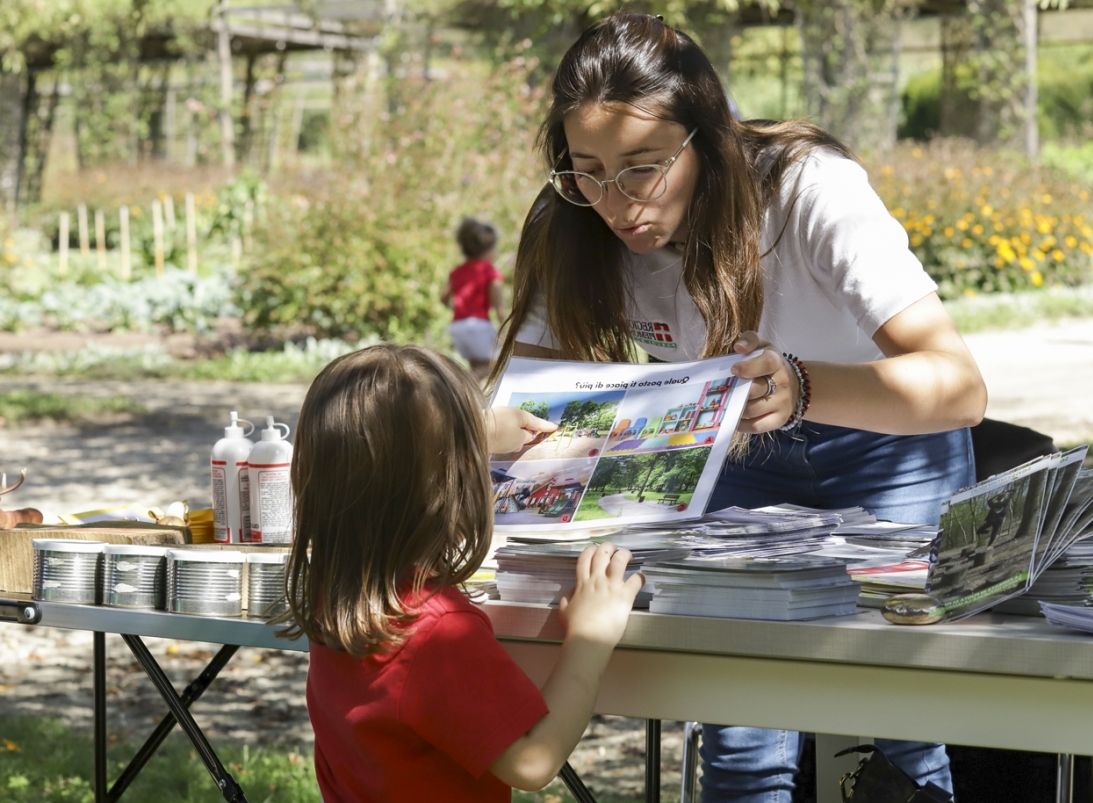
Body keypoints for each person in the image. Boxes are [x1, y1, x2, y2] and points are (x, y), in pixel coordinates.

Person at [493, 14, 987, 802]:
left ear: (707, 141)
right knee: (738, 730)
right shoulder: (572, 223)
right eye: (585, 169)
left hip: (886, 445)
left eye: (642, 169)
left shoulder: (805, 188)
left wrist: (803, 384)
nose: (614, 203)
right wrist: (502, 425)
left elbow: (960, 388)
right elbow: (531, 406)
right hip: (731, 455)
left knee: (898, 713)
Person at [280, 343, 644, 802]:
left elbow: (383, 451)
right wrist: (590, 638)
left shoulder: (336, 588)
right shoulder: (437, 630)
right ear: (455, 480)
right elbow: (531, 762)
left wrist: (475, 430)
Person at [442, 217, 508, 378]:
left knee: (477, 366)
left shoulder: (457, 272)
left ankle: (471, 398)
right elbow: (499, 307)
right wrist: (506, 330)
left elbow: (443, 298)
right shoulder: (490, 272)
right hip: (478, 326)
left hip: (458, 327)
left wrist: (458, 309)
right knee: (496, 364)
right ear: (489, 250)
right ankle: (459, 385)